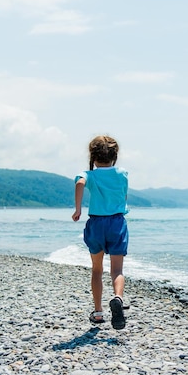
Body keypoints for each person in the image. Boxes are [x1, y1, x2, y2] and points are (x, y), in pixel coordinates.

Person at [72, 135, 129, 330]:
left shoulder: (90, 175)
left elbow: (79, 183)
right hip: (117, 223)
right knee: (117, 270)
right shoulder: (122, 174)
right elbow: (123, 194)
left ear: (93, 156)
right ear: (114, 156)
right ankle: (118, 298)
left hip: (96, 223)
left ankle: (98, 313)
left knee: (97, 269)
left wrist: (78, 209)